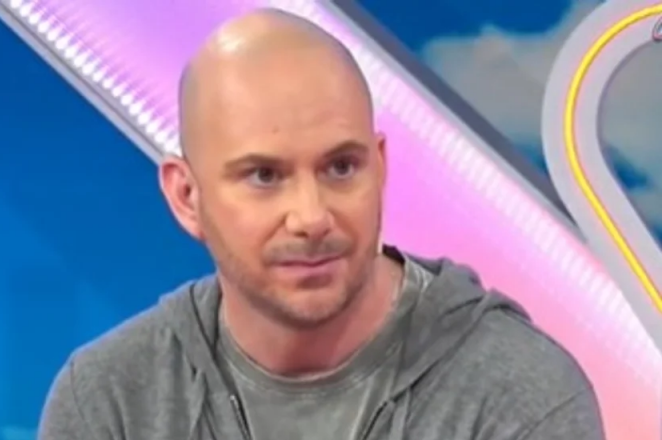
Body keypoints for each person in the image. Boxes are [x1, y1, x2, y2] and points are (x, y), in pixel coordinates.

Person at [37, 7, 604, 440]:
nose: (311, 217)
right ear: (187, 197)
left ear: (379, 167)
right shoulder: (111, 403)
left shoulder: (517, 395)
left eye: (340, 167)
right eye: (264, 176)